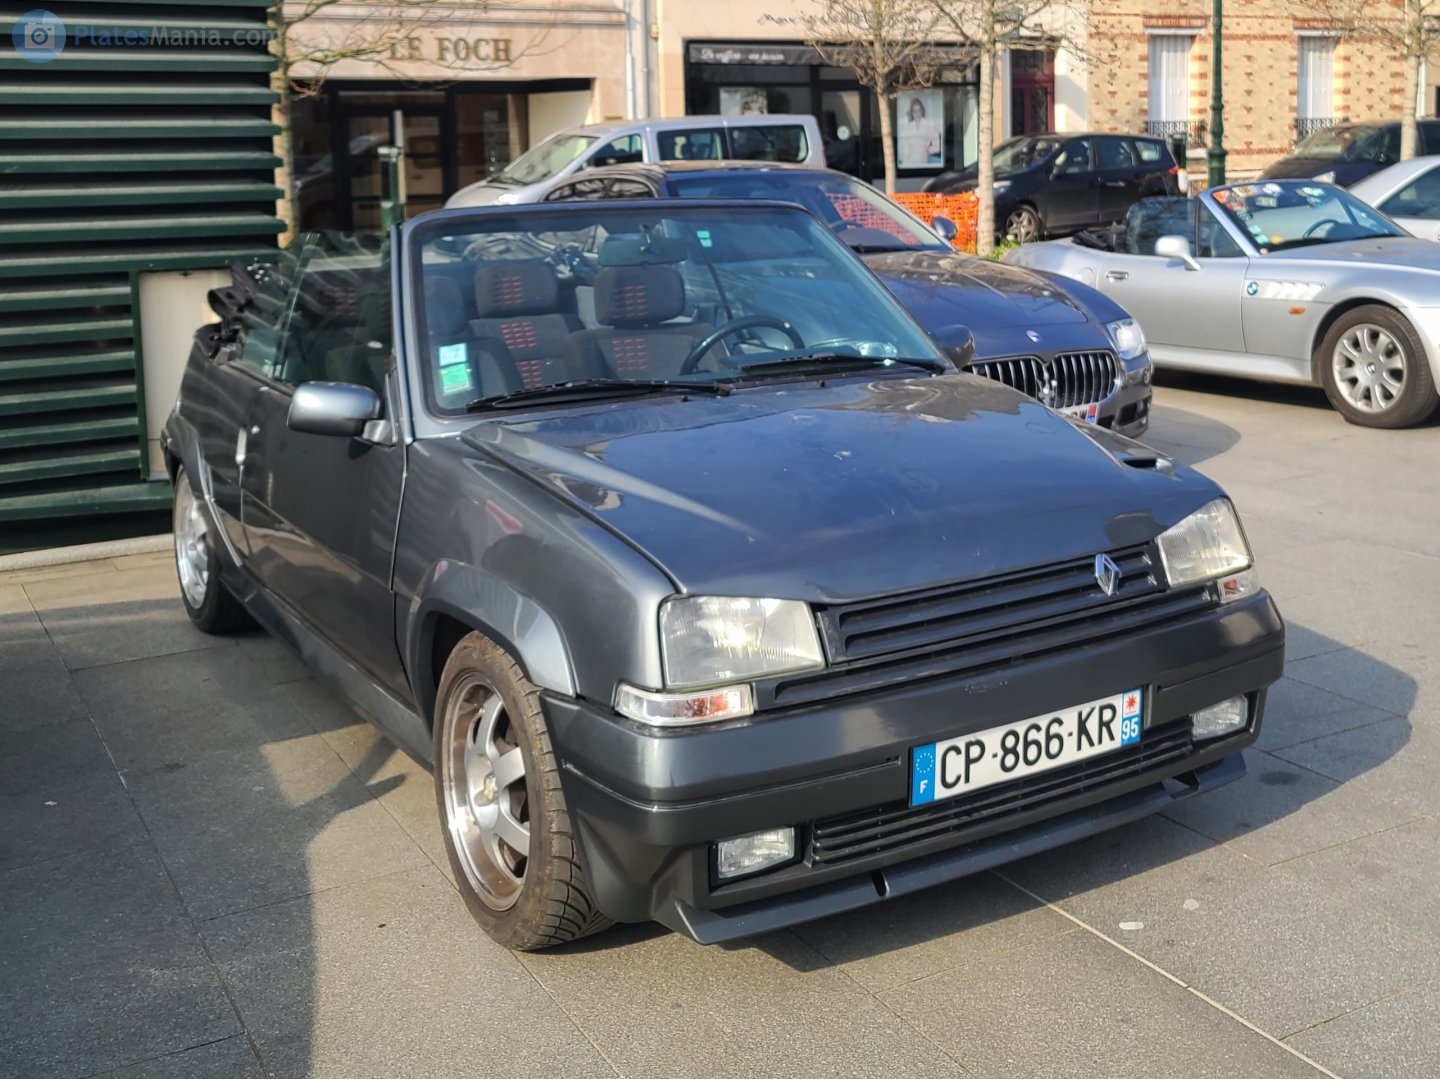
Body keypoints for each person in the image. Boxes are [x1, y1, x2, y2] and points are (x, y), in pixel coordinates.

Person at [899, 96, 942, 168]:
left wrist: (928, 150)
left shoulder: (929, 124)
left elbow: (937, 145)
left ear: (922, 111)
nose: (917, 114)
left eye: (919, 111)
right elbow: (904, 147)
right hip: (908, 161)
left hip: (922, 160)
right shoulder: (908, 127)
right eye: (914, 111)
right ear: (912, 112)